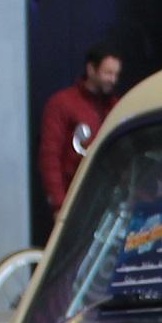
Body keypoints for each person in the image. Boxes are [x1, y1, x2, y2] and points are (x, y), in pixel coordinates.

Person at [36, 41, 125, 229]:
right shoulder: (62, 104)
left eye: (116, 74)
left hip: (108, 203)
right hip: (75, 201)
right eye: (108, 73)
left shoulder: (115, 107)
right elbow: (50, 156)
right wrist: (59, 205)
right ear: (91, 70)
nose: (113, 79)